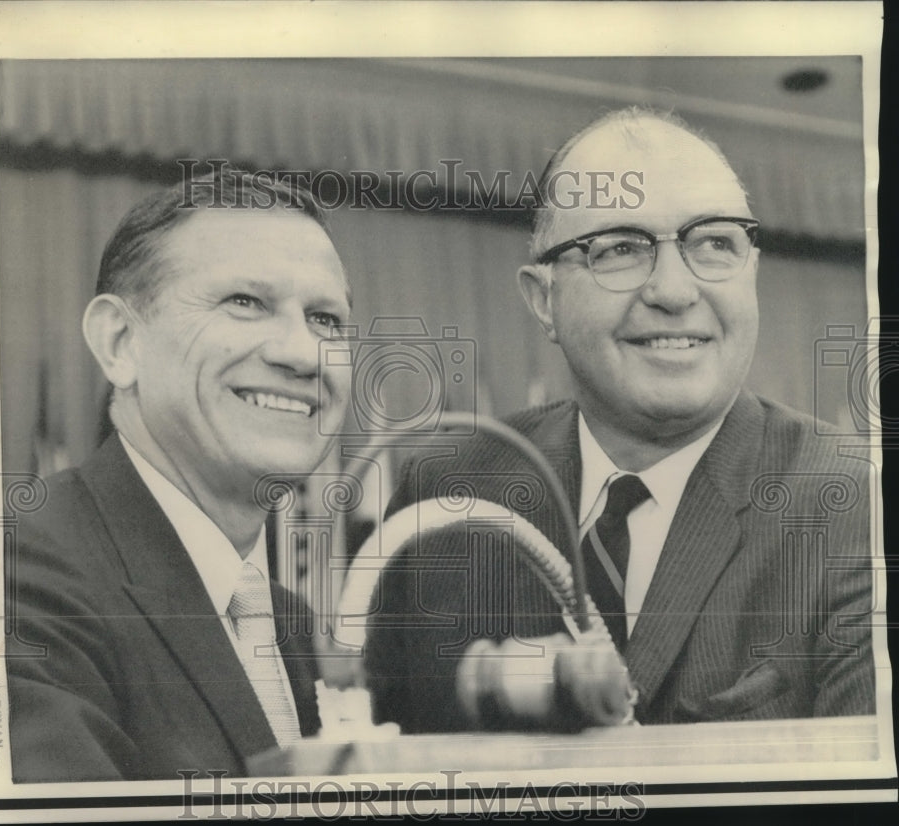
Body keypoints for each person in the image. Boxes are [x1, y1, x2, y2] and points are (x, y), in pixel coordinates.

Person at [366, 107, 875, 732]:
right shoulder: (447, 493)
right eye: (621, 249)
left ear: (753, 272)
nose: (674, 291)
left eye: (715, 243)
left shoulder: (859, 505)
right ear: (543, 299)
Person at [6, 171, 353, 781]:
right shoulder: (14, 571)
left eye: (326, 319)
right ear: (120, 342)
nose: (303, 353)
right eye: (245, 303)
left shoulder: (294, 626)